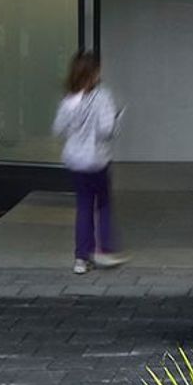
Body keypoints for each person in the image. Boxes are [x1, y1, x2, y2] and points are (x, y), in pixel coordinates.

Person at [53, 50, 127, 273]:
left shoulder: (69, 100)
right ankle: (103, 250)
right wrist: (117, 120)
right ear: (93, 73)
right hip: (97, 160)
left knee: (83, 207)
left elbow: (58, 128)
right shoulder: (103, 96)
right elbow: (106, 130)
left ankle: (81, 258)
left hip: (75, 161)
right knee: (103, 204)